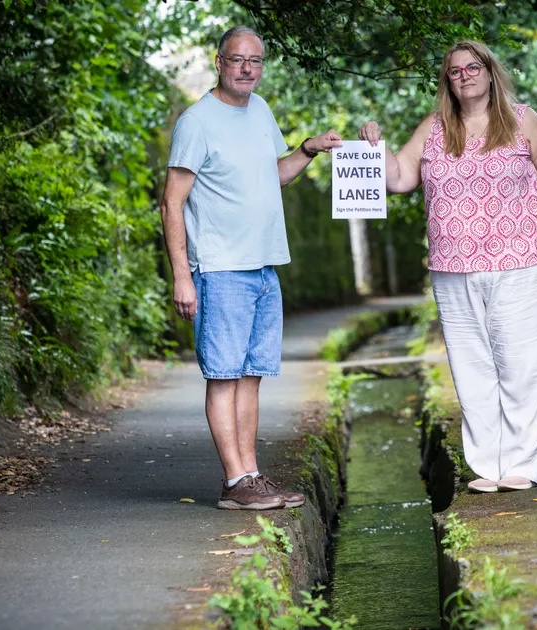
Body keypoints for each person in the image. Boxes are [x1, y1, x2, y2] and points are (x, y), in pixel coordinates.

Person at [358, 40, 537, 493]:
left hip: (522, 261)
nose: (465, 75)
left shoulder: (522, 119)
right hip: (453, 269)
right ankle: (487, 467)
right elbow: (399, 179)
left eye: (474, 67)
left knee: (522, 364)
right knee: (472, 367)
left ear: (491, 73)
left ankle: (523, 464)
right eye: (455, 71)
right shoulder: (434, 128)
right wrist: (375, 146)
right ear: (447, 82)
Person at [161, 26, 343, 510]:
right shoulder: (197, 122)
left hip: (263, 267)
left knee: (251, 375)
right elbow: (171, 202)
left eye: (255, 61)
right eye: (238, 59)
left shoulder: (260, 111)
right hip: (220, 269)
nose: (247, 68)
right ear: (219, 62)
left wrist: (305, 150)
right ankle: (233, 481)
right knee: (223, 375)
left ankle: (251, 476)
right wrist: (183, 274)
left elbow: (274, 176)